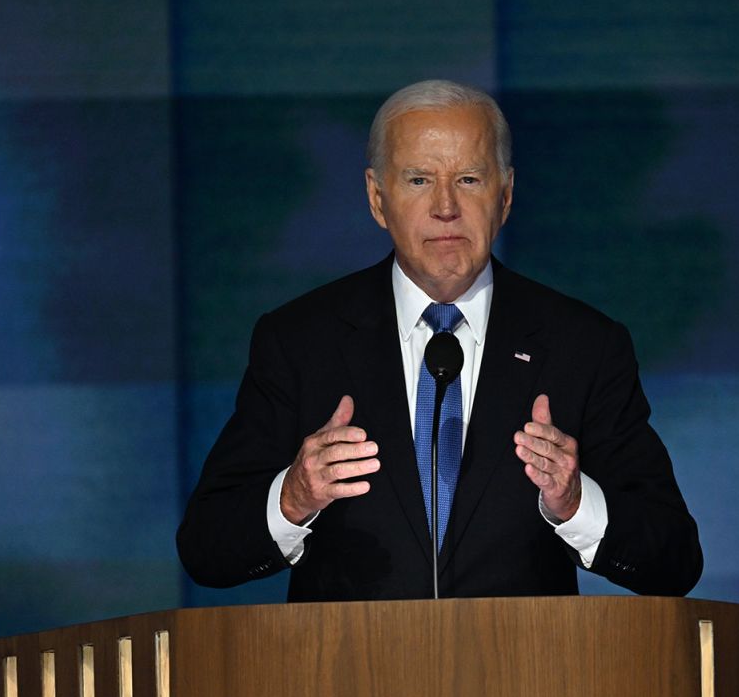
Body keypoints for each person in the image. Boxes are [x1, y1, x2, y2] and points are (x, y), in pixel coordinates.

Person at [177, 79, 702, 601]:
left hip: (527, 677)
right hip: (345, 677)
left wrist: (575, 502)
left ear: (506, 197)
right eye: (419, 180)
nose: (445, 206)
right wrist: (292, 498)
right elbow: (207, 548)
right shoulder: (298, 341)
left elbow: (674, 561)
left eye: (470, 179)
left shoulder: (583, 346)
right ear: (377, 199)